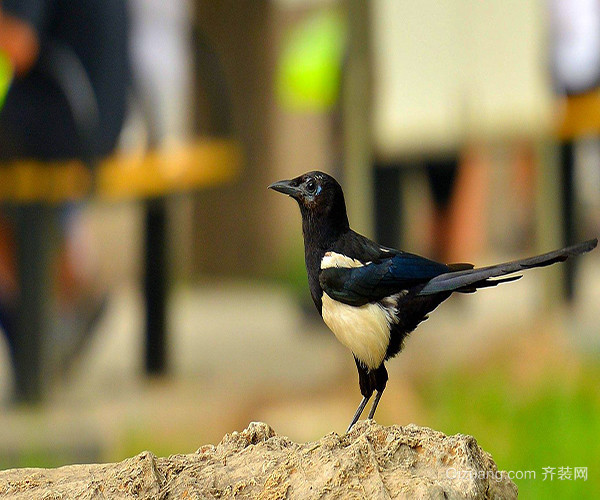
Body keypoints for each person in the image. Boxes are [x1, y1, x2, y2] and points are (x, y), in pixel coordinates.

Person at [0, 0, 130, 377]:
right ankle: (62, 300)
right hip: (100, 117)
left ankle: (37, 332)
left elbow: (18, 44)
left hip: (66, 117)